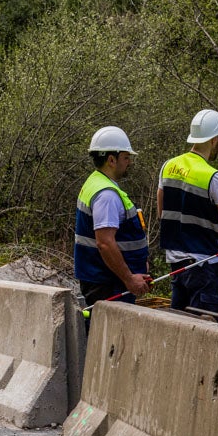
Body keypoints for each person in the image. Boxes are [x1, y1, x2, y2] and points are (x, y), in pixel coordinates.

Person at [155, 109, 218, 321]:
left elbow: (162, 213)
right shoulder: (212, 177)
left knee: (180, 331)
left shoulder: (168, 166)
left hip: (176, 265)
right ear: (215, 138)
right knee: (207, 333)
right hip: (203, 268)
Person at [74, 126, 151, 307]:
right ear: (111, 159)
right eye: (125, 157)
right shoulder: (106, 195)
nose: (129, 162)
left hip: (105, 280)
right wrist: (129, 278)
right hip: (109, 283)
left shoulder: (95, 181)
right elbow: (105, 243)